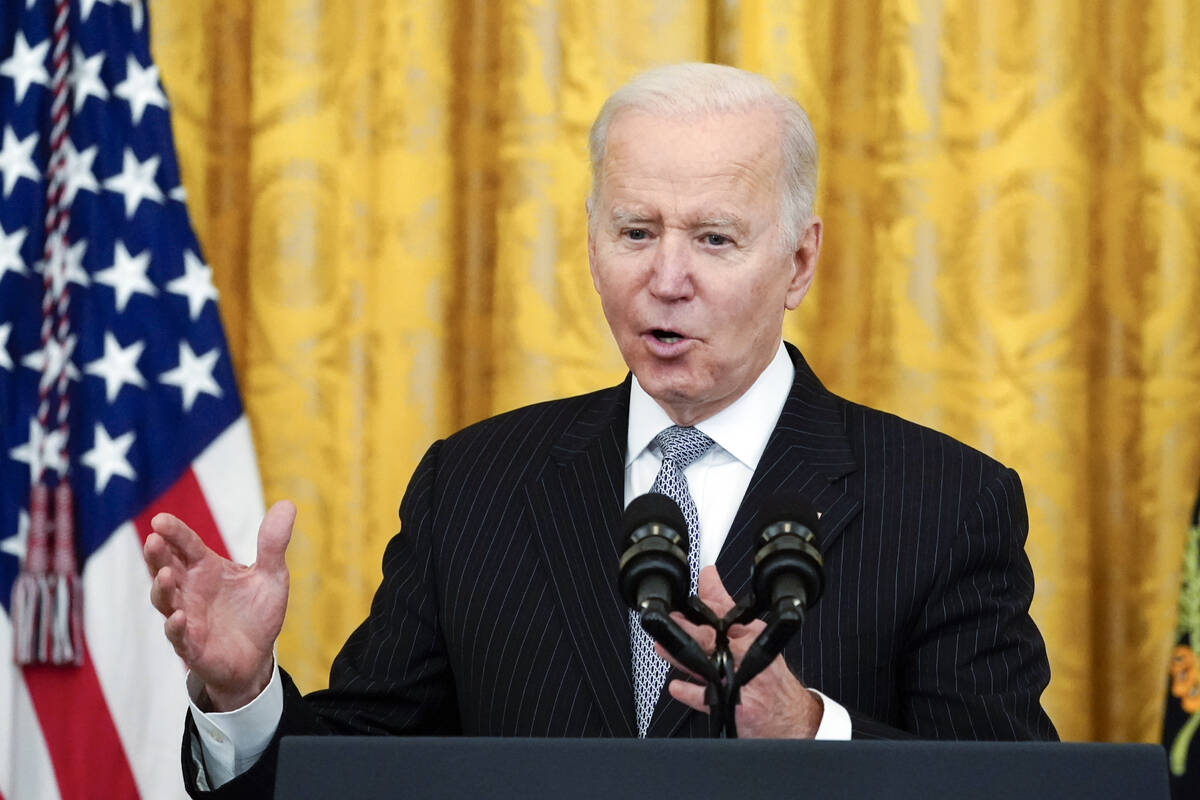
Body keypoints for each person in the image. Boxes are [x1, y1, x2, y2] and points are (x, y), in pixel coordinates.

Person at [144, 62, 1057, 797]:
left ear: (799, 260)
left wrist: (813, 732)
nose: (666, 278)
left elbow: (1012, 787)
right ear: (590, 246)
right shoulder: (474, 485)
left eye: (714, 239)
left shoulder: (945, 500)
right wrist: (243, 690)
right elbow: (359, 773)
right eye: (634, 231)